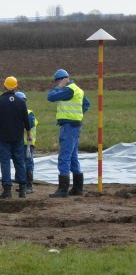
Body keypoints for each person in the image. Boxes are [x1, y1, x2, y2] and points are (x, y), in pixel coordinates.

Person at [47, 69, 90, 198]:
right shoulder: (78, 89)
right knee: (73, 157)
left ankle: (63, 189)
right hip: (75, 125)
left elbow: (50, 97)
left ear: (63, 79)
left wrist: (59, 87)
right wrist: (77, 115)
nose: (57, 84)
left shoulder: (69, 90)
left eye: (58, 81)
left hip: (69, 126)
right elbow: (87, 104)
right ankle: (77, 188)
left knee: (64, 157)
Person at [0, 77, 32, 198]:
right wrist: (28, 134)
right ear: (16, 87)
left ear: (4, 86)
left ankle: (7, 190)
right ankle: (23, 189)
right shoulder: (21, 102)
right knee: (20, 162)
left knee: (5, 163)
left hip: (3, 138)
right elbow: (26, 120)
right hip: (18, 137)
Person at [15, 91, 38, 193]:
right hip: (18, 144)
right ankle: (22, 185)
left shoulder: (29, 114)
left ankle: (29, 186)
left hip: (27, 145)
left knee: (27, 164)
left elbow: (28, 125)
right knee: (19, 164)